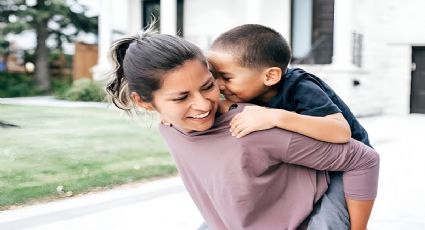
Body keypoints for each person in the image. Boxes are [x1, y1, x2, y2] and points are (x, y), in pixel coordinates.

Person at [106, 29, 379, 230]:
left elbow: (349, 143)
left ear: (270, 75)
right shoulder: (170, 125)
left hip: (343, 151)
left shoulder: (287, 101)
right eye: (180, 97)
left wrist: (276, 117)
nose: (206, 102)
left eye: (208, 86)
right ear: (145, 103)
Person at [207, 24, 374, 229]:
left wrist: (277, 117)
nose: (219, 85)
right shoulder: (245, 91)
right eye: (214, 76)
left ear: (270, 76)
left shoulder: (300, 87)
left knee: (327, 223)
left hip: (345, 164)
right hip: (307, 160)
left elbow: (340, 131)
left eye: (226, 77)